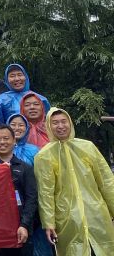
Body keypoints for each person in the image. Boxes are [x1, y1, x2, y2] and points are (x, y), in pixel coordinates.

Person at [34, 108, 114, 256]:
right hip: (67, 218)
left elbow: (106, 181)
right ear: (49, 127)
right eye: (55, 123)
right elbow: (45, 192)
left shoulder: (87, 147)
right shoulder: (43, 156)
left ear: (70, 123)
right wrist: (49, 222)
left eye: (64, 121)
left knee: (104, 249)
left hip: (95, 212)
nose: (60, 126)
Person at [0, 125, 38, 256]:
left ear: (14, 141)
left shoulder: (25, 168)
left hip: (19, 230)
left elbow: (31, 199)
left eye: (6, 138)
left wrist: (24, 225)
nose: (2, 142)